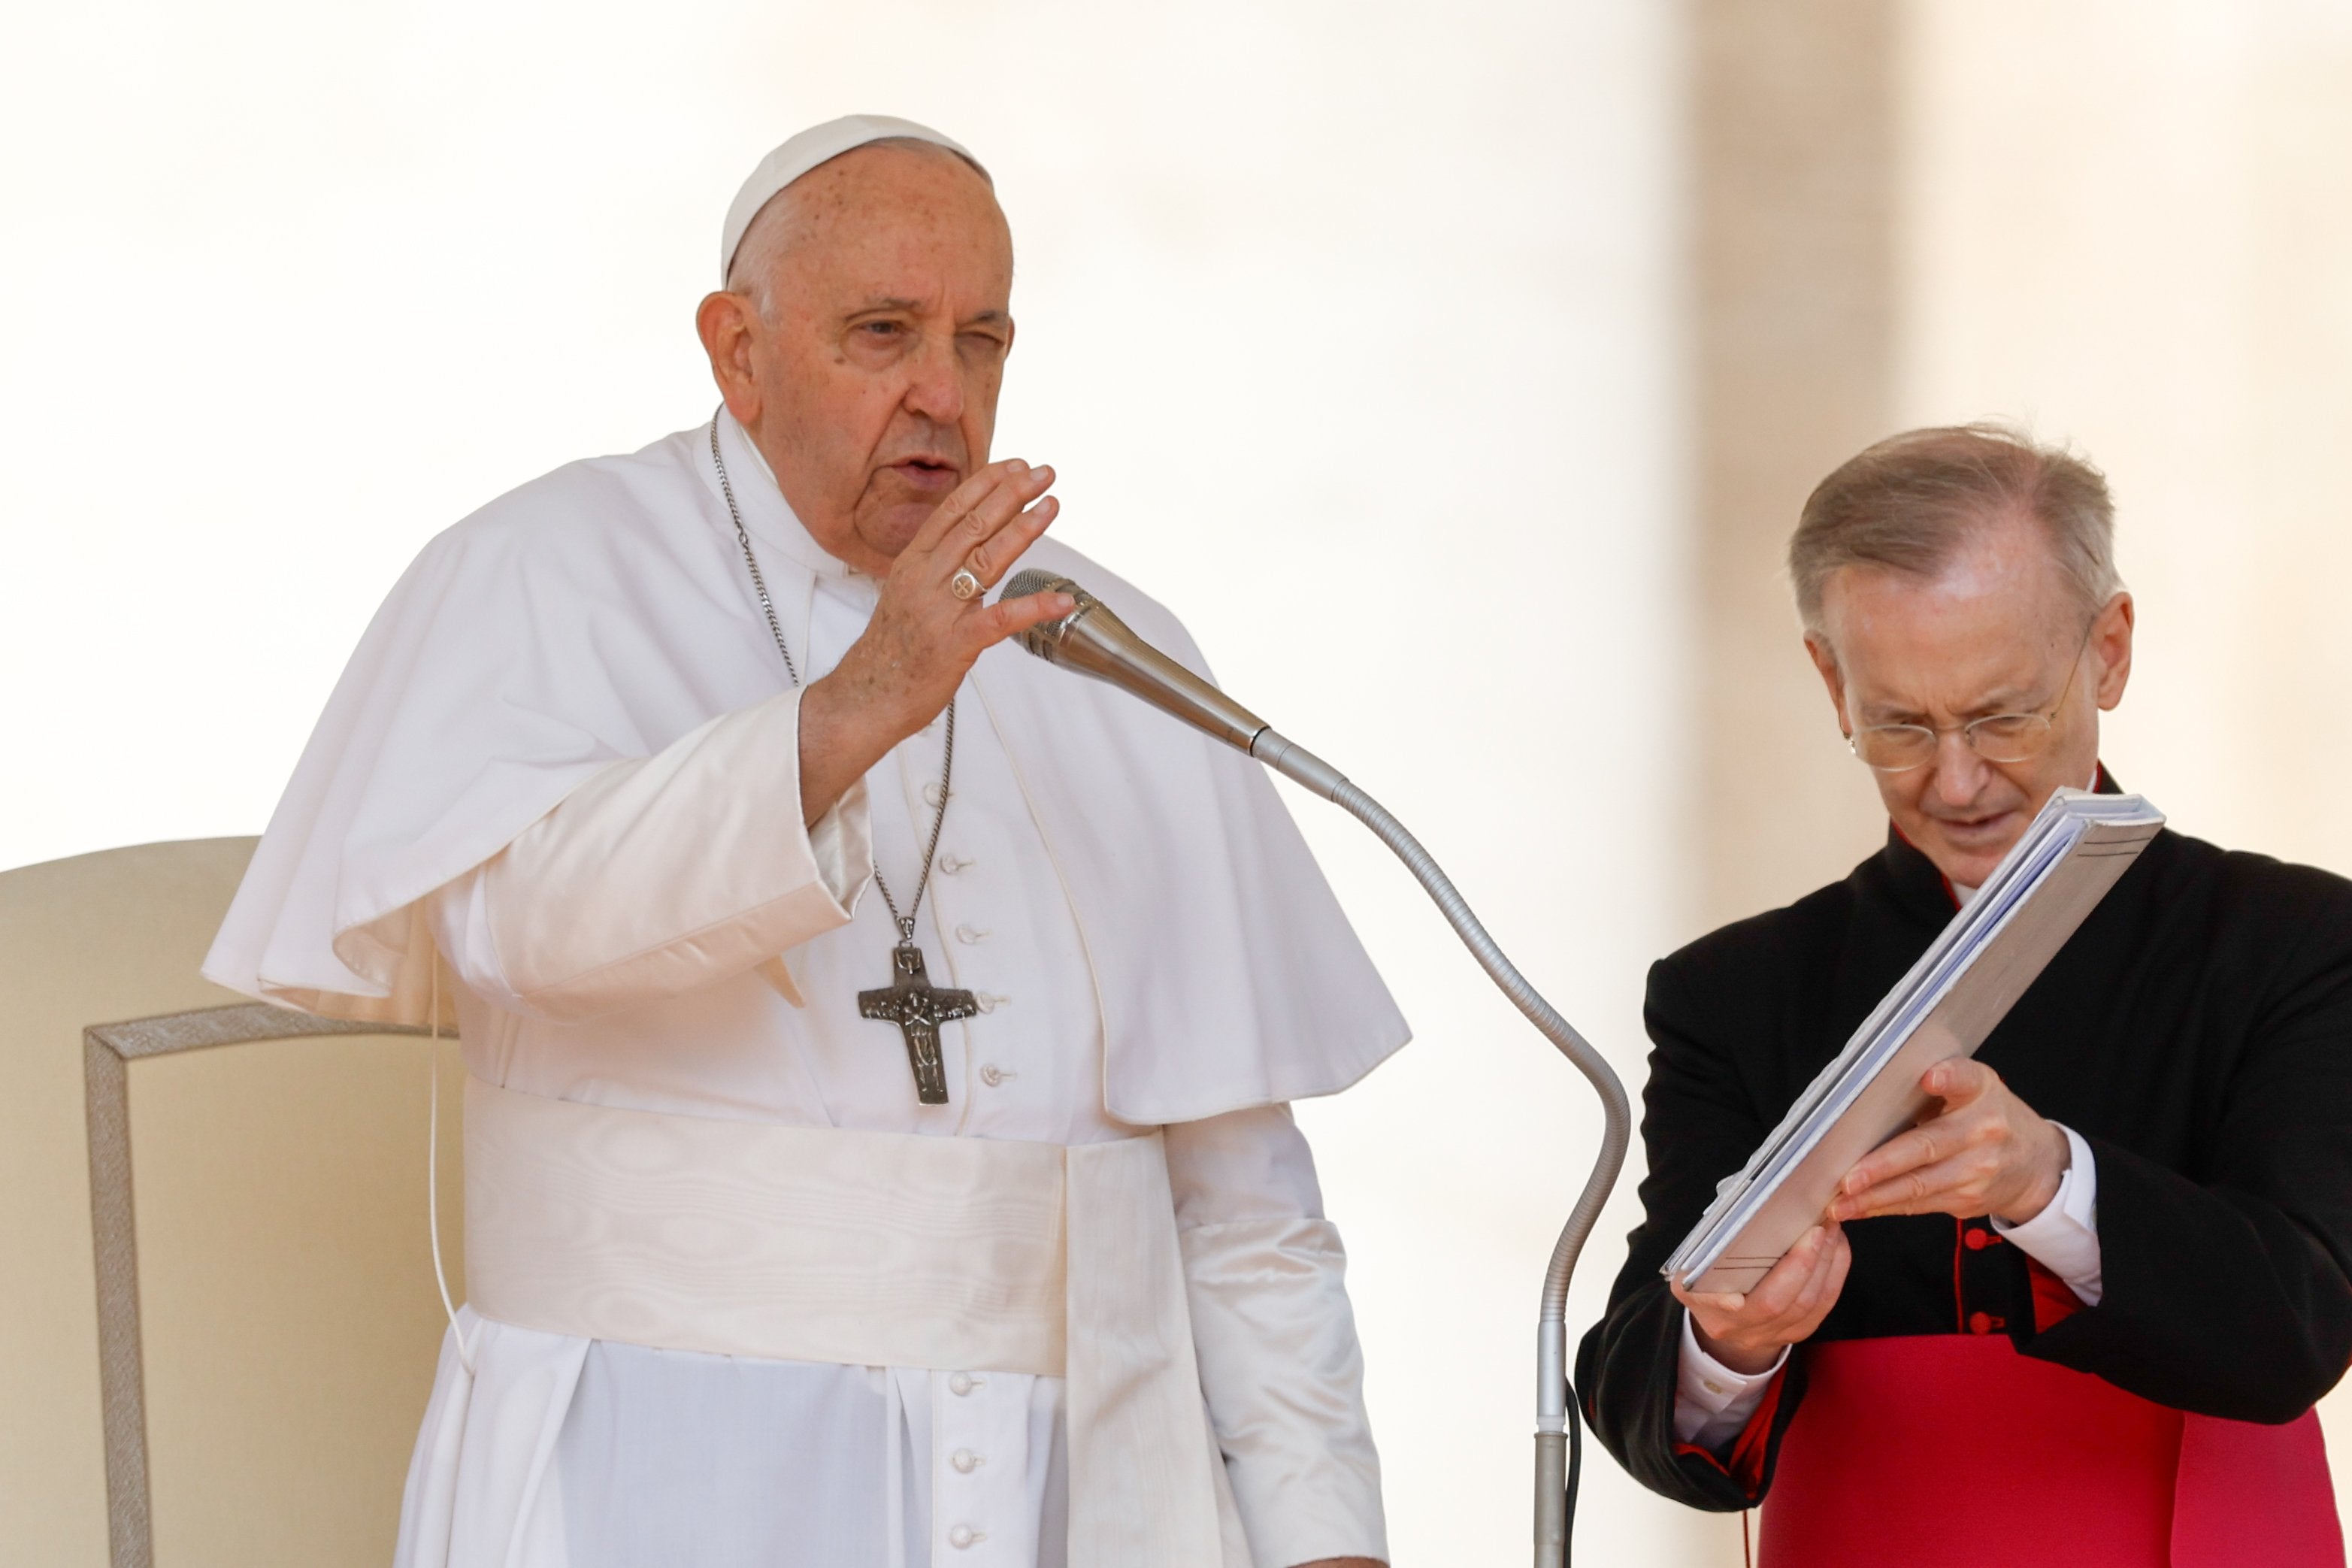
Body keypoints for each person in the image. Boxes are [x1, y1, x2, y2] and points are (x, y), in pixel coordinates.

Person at [204, 115, 1400, 1568]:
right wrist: (849, 715)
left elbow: (1244, 1199)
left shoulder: (1098, 640)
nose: (942, 396)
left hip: (1079, 1498)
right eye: (883, 332)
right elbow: (520, 932)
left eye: (980, 339)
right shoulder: (543, 569)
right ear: (738, 350)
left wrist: (1326, 1540)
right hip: (659, 1476)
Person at [1578, 425, 2352, 1566]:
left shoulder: (2290, 940)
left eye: (2001, 715)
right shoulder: (1733, 992)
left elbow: (2296, 1323)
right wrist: (1727, 1341)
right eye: (1900, 724)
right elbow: (1644, 1397)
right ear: (1831, 683)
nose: (1955, 780)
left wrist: (2045, 1180)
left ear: (2109, 651)